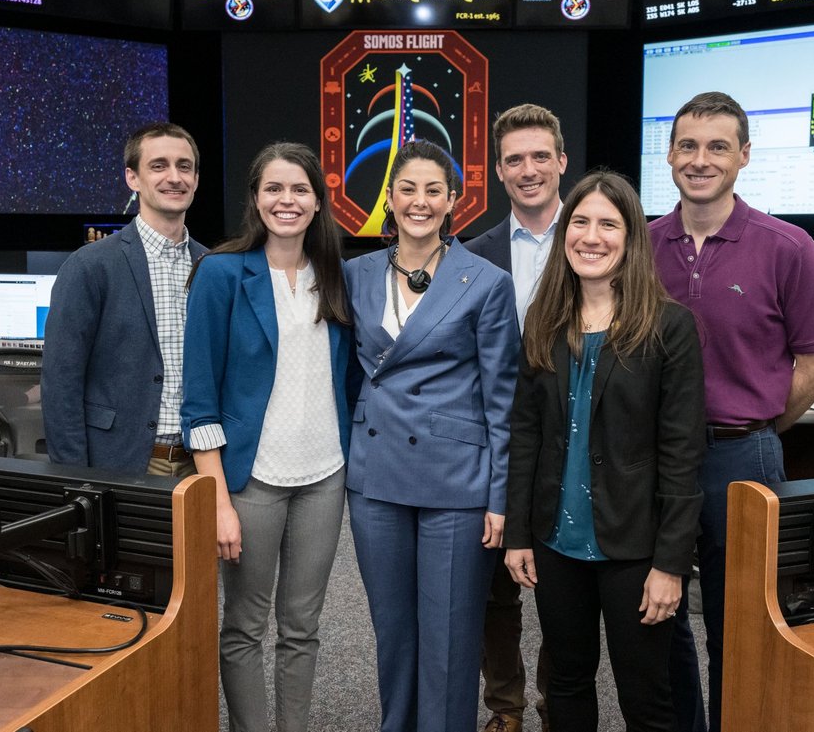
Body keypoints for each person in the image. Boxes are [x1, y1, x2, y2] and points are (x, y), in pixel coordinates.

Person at [650, 92, 814, 732]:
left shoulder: (788, 247)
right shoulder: (641, 246)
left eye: (716, 147)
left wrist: (756, 426)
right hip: (656, 461)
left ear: (745, 156)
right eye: (687, 146)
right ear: (669, 153)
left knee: (742, 623)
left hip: (745, 456)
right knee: (658, 614)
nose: (699, 160)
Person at [505, 170, 705, 732]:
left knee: (646, 697)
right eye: (581, 222)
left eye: (608, 224)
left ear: (631, 238)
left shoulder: (670, 327)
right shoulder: (544, 322)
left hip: (636, 546)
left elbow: (682, 453)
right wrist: (519, 533)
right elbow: (527, 434)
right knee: (566, 682)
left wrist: (671, 564)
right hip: (556, 541)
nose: (591, 237)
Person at [344, 139, 519, 732]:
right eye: (408, 189)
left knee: (449, 635)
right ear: (389, 199)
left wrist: (500, 496)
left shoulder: (487, 281)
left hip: (457, 480)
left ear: (453, 202)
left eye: (433, 191)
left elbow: (502, 398)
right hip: (375, 474)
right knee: (392, 629)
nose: (420, 202)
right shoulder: (355, 273)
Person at [181, 142, 352, 732]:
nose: (287, 200)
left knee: (302, 627)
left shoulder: (335, 277)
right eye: (274, 188)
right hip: (250, 481)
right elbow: (199, 401)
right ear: (256, 198)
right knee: (245, 626)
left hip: (324, 479)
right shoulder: (222, 274)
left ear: (317, 202)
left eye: (300, 189)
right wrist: (219, 500)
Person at [465, 103, 566, 732]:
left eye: (538, 156)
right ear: (498, 171)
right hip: (494, 445)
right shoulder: (471, 255)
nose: (527, 170)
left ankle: (559, 703)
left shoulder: (597, 236)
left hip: (571, 445)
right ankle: (504, 707)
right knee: (493, 594)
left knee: (563, 592)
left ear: (561, 160)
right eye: (513, 160)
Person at [42, 122, 207, 476]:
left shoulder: (212, 266)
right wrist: (74, 479)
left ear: (195, 178)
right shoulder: (89, 266)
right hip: (120, 461)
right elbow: (60, 384)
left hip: (202, 462)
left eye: (184, 166)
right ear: (132, 178)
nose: (174, 177)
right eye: (158, 166)